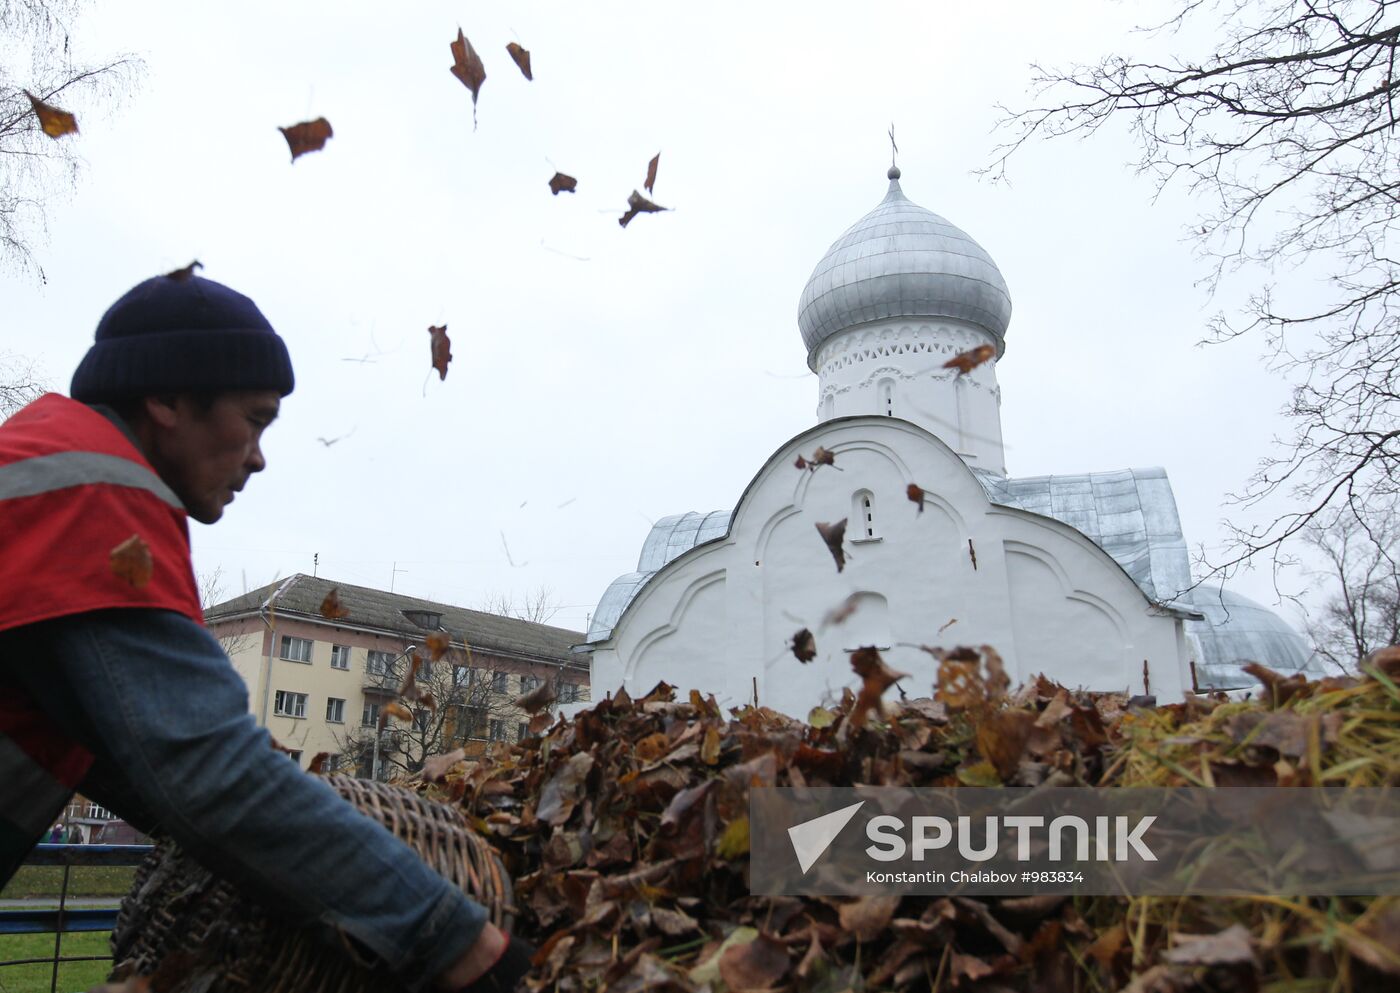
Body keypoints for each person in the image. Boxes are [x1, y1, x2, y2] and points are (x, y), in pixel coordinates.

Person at [0, 271, 532, 992]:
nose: (258, 455)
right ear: (165, 400)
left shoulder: (40, 466)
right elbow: (208, 772)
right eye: (253, 419)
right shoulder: (92, 496)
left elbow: (143, 766)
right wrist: (456, 939)